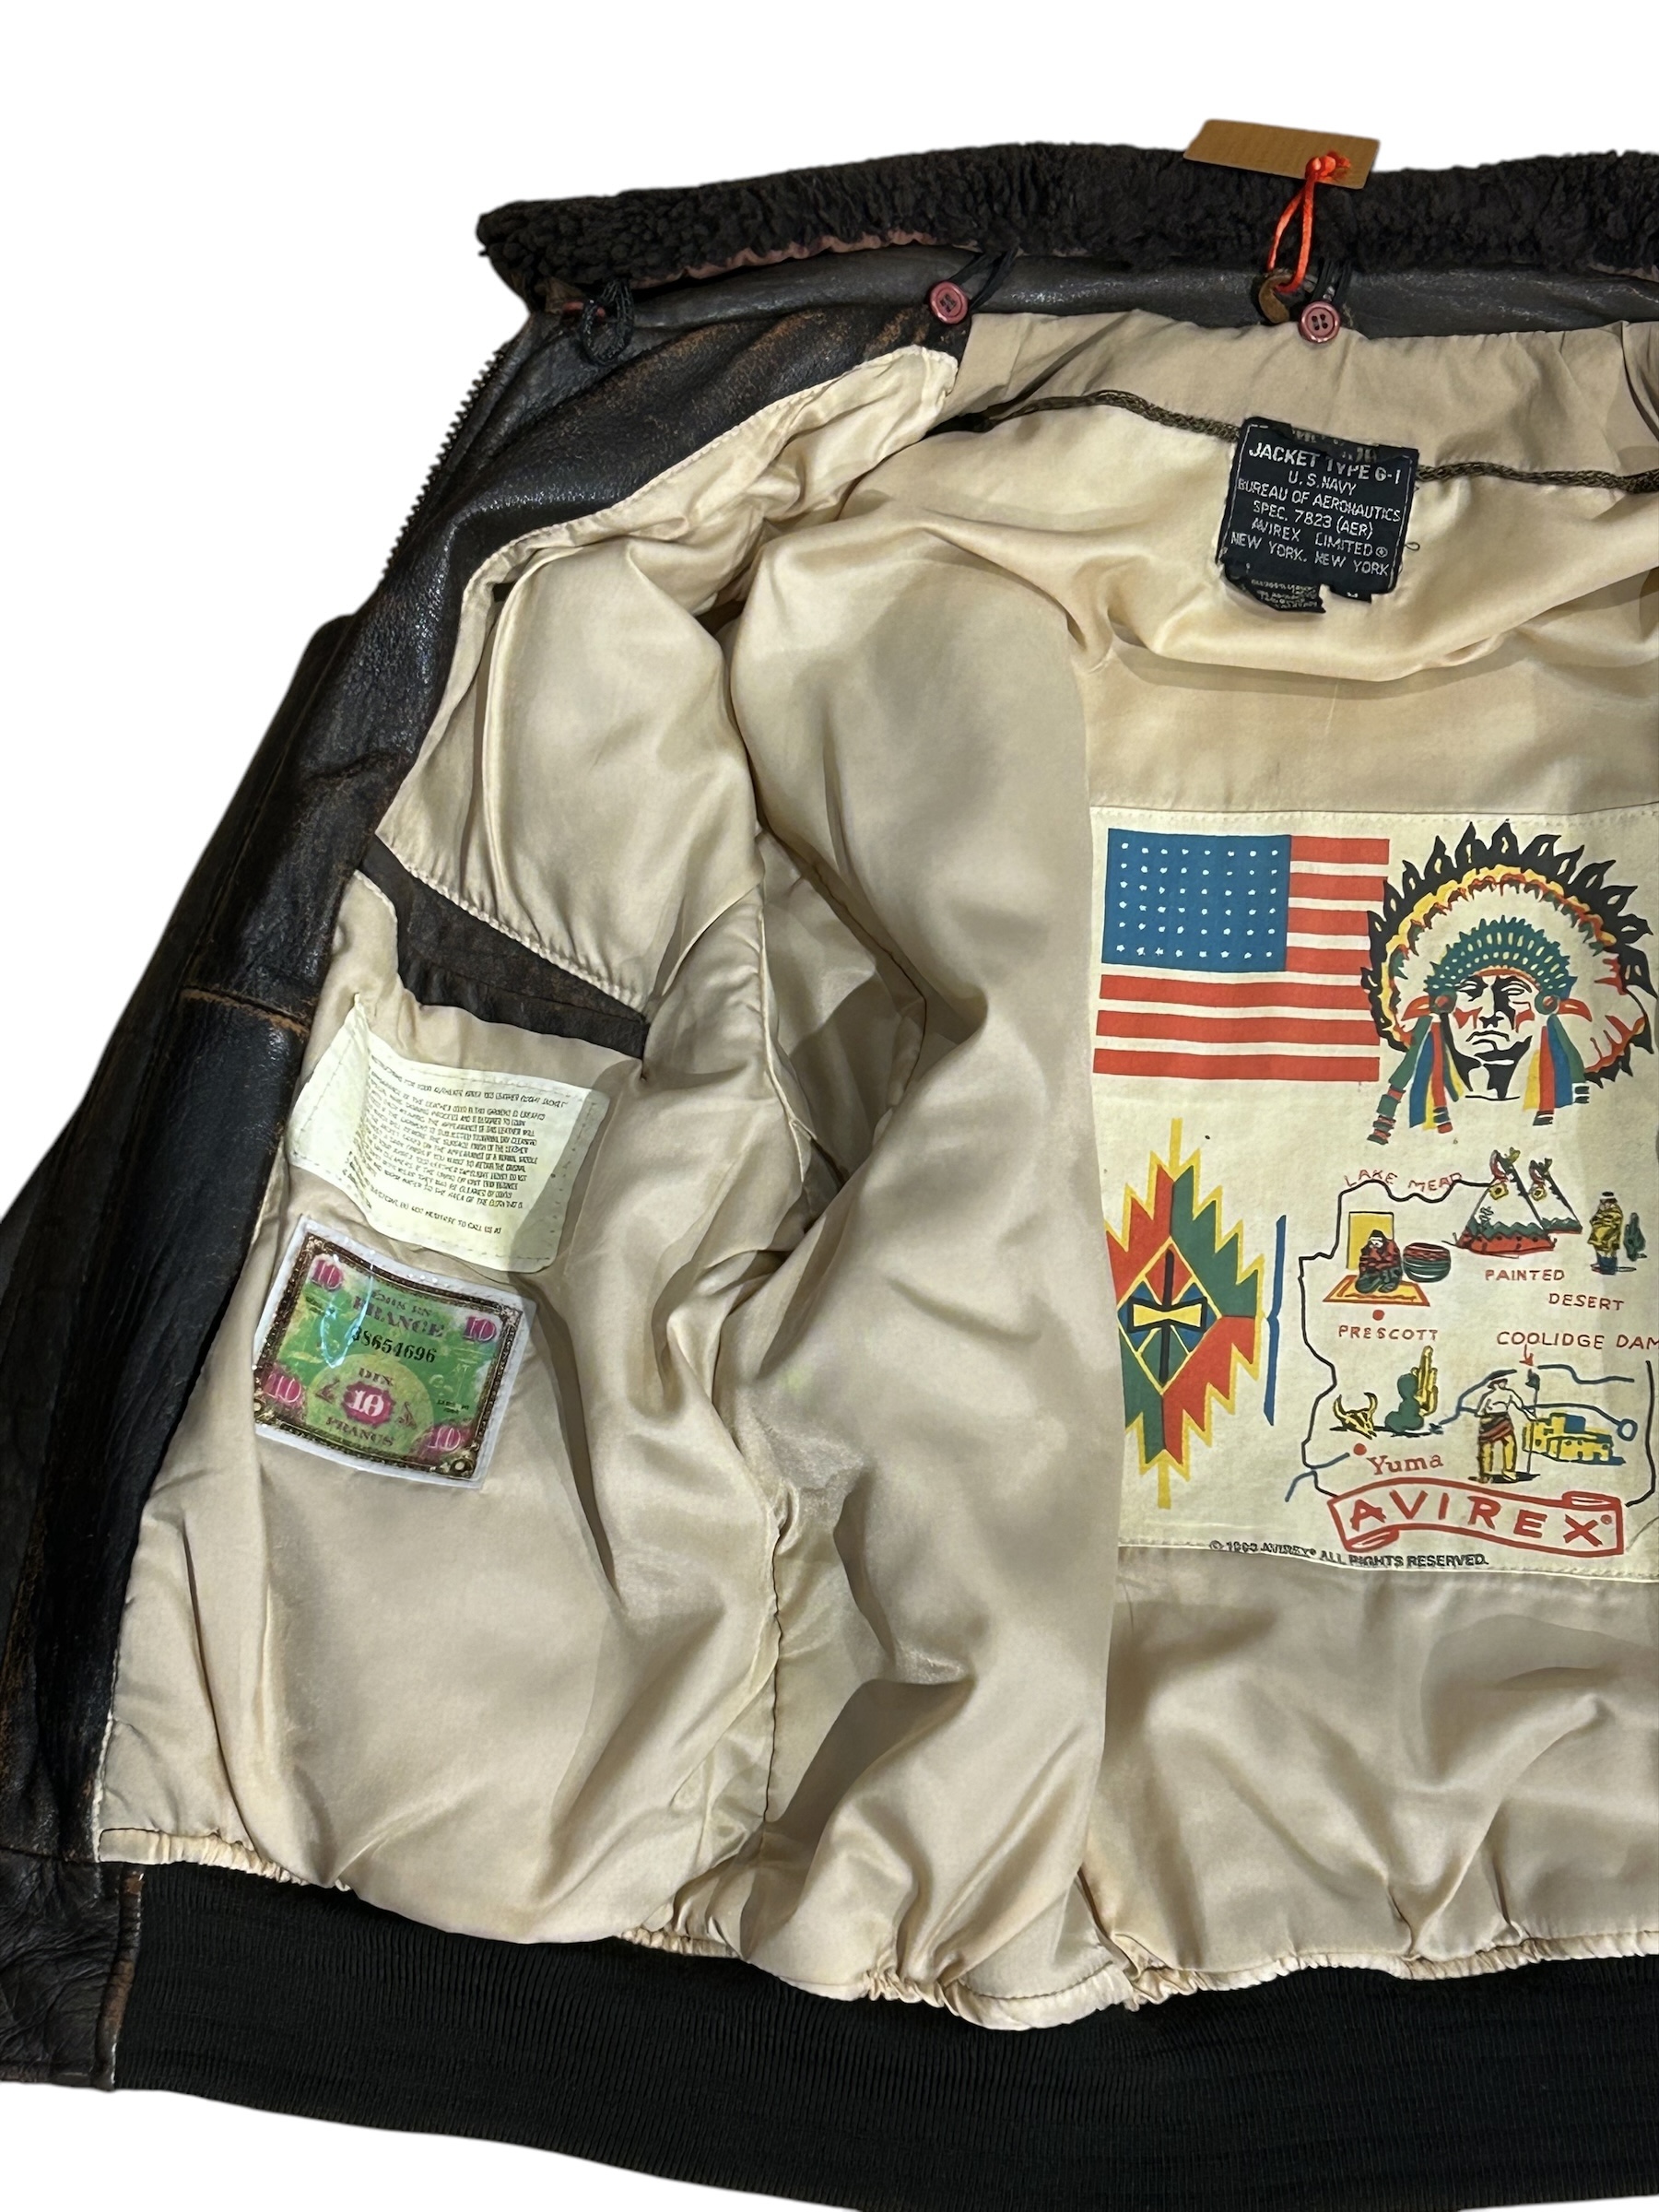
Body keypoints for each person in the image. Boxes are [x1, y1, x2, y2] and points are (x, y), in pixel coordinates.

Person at [1474, 1373, 1529, 1483]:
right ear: (1496, 1384)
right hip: (1490, 1421)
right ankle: (1485, 1474)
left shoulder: (1509, 1393)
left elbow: (1520, 1406)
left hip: (1504, 1420)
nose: (1505, 1383)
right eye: (1503, 1381)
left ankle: (1509, 1472)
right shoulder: (1488, 1396)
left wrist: (1529, 1415)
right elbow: (1480, 1411)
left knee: (1510, 1443)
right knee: (1486, 1446)